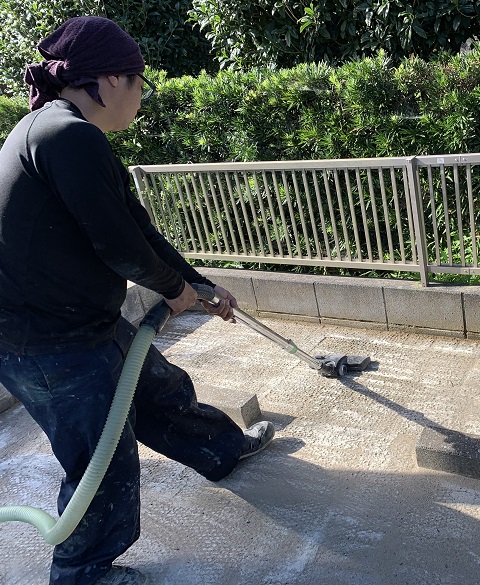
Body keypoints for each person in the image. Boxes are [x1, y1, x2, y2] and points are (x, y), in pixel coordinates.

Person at [0, 16, 275, 585]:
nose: (143, 95)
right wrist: (176, 293)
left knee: (155, 388)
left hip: (77, 322)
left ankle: (222, 449)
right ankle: (83, 573)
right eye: (140, 81)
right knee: (102, 462)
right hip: (45, 343)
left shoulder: (64, 131)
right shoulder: (64, 136)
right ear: (107, 81)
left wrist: (198, 285)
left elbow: (138, 230)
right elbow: (118, 246)